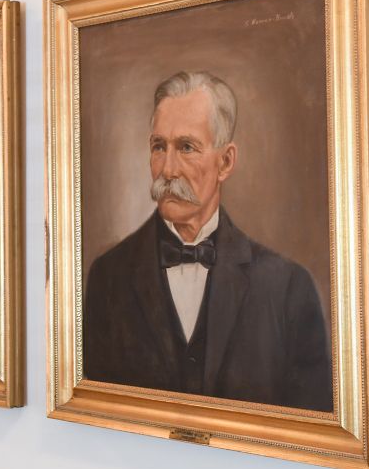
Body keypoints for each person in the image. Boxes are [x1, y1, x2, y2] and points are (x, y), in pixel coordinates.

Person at [82, 71, 332, 411]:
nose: (168, 169)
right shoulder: (108, 277)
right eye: (159, 147)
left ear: (225, 162)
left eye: (186, 147)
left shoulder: (287, 288)